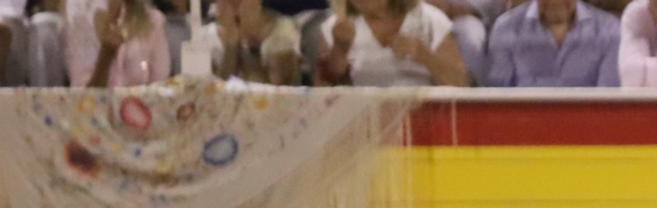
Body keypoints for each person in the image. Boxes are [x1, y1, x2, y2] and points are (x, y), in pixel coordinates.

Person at [316, 0, 472, 86]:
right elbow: (320, 95)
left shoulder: (429, 19)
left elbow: (462, 83)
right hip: (363, 122)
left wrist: (424, 56)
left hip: (425, 119)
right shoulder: (336, 26)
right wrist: (339, 51)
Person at [485, 0, 621, 86]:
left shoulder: (610, 29)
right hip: (523, 120)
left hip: (588, 121)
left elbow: (607, 100)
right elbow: (498, 94)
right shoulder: (506, 28)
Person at [66, 0, 169, 86]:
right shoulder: (79, 21)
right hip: (95, 105)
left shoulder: (153, 20)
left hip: (141, 104)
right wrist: (105, 57)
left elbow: (159, 89)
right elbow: (81, 97)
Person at [202, 0, 300, 84]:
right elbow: (214, 95)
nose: (234, 3)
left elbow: (282, 86)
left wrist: (253, 37)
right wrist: (231, 46)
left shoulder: (283, 30)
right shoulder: (208, 37)